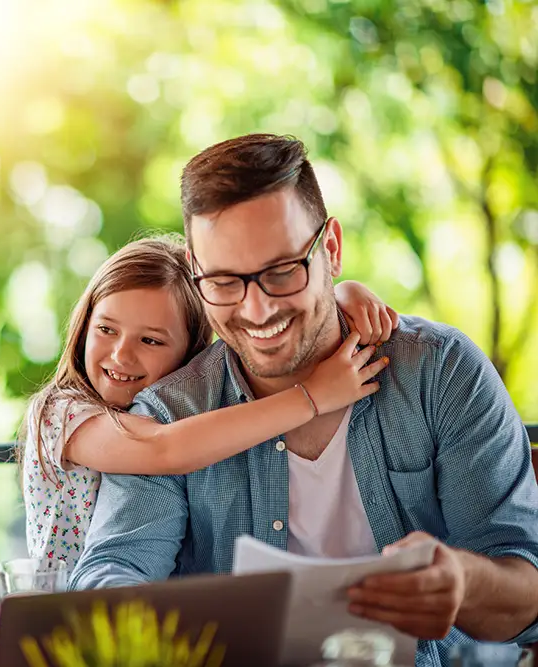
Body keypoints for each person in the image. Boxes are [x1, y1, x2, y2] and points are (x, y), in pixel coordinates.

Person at [68, 135, 538, 666]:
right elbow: (111, 575)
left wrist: (463, 582)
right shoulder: (168, 414)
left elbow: (526, 590)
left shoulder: (442, 374)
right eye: (224, 281)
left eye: (281, 271)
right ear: (197, 276)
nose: (258, 308)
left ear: (331, 249)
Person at [20, 235, 395, 573]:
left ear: (192, 353)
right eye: (106, 329)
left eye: (150, 341)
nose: (120, 354)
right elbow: (164, 448)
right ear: (85, 325)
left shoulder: (189, 406)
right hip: (65, 625)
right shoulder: (60, 413)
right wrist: (312, 396)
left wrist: (335, 300)